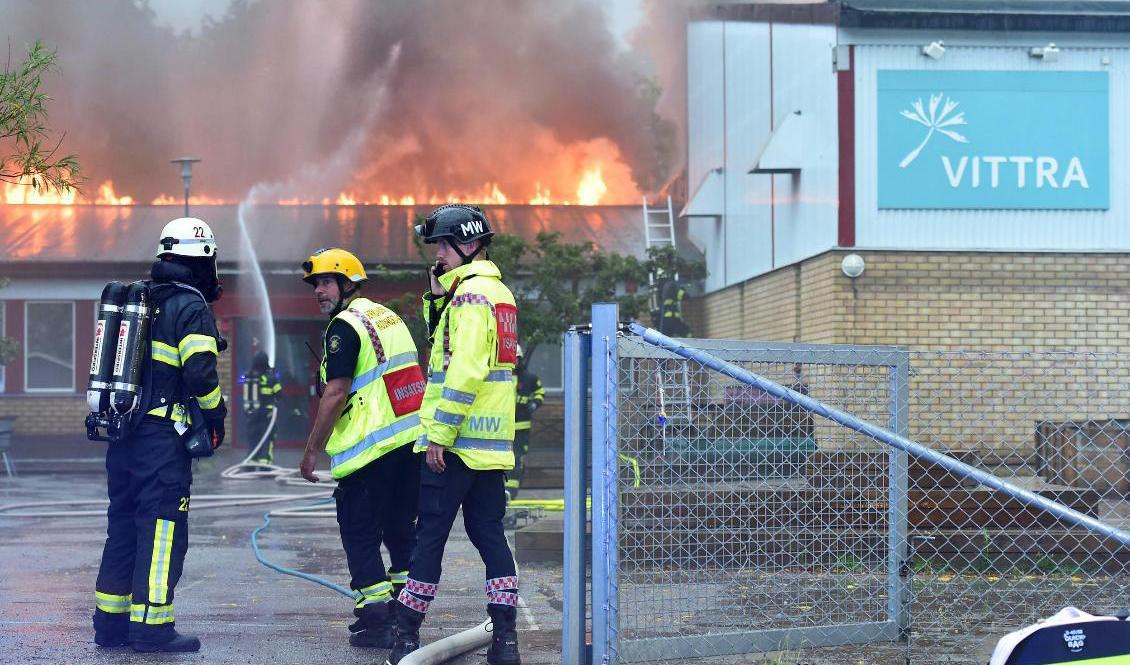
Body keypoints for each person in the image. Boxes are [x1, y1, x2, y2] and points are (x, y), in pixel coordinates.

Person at [387, 205, 521, 665]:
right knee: (490, 536)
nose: (439, 254)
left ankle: (404, 636)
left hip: (455, 445)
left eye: (444, 245)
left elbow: (461, 371)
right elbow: (448, 346)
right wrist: (434, 297)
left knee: (429, 539)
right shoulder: (497, 294)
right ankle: (505, 640)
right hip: (489, 447)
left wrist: (440, 435)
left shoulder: (468, 299)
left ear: (469, 244)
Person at [92, 217, 227, 652]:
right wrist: (216, 416)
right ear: (204, 260)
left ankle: (110, 625)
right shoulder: (190, 308)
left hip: (123, 432)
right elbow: (201, 374)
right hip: (161, 440)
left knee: (124, 526)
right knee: (163, 528)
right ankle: (152, 628)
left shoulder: (142, 300)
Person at [298, 247, 425, 648]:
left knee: (360, 535)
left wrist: (311, 450)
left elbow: (335, 392)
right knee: (401, 534)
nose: (319, 291)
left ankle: (376, 619)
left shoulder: (344, 326)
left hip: (370, 452)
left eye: (326, 282)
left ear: (348, 283)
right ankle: (407, 618)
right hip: (408, 446)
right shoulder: (388, 318)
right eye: (316, 284)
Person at [505, 344, 544, 497]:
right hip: (500, 429)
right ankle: (501, 491)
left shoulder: (530, 379)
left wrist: (535, 402)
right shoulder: (499, 379)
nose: (513, 361)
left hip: (521, 428)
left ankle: (510, 492)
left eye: (515, 358)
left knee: (517, 459)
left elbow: (540, 392)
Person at [242, 350, 281, 464]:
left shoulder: (249, 377)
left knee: (253, 439)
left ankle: (252, 462)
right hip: (267, 415)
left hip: (252, 414)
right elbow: (279, 394)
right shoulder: (271, 378)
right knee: (267, 439)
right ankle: (265, 464)